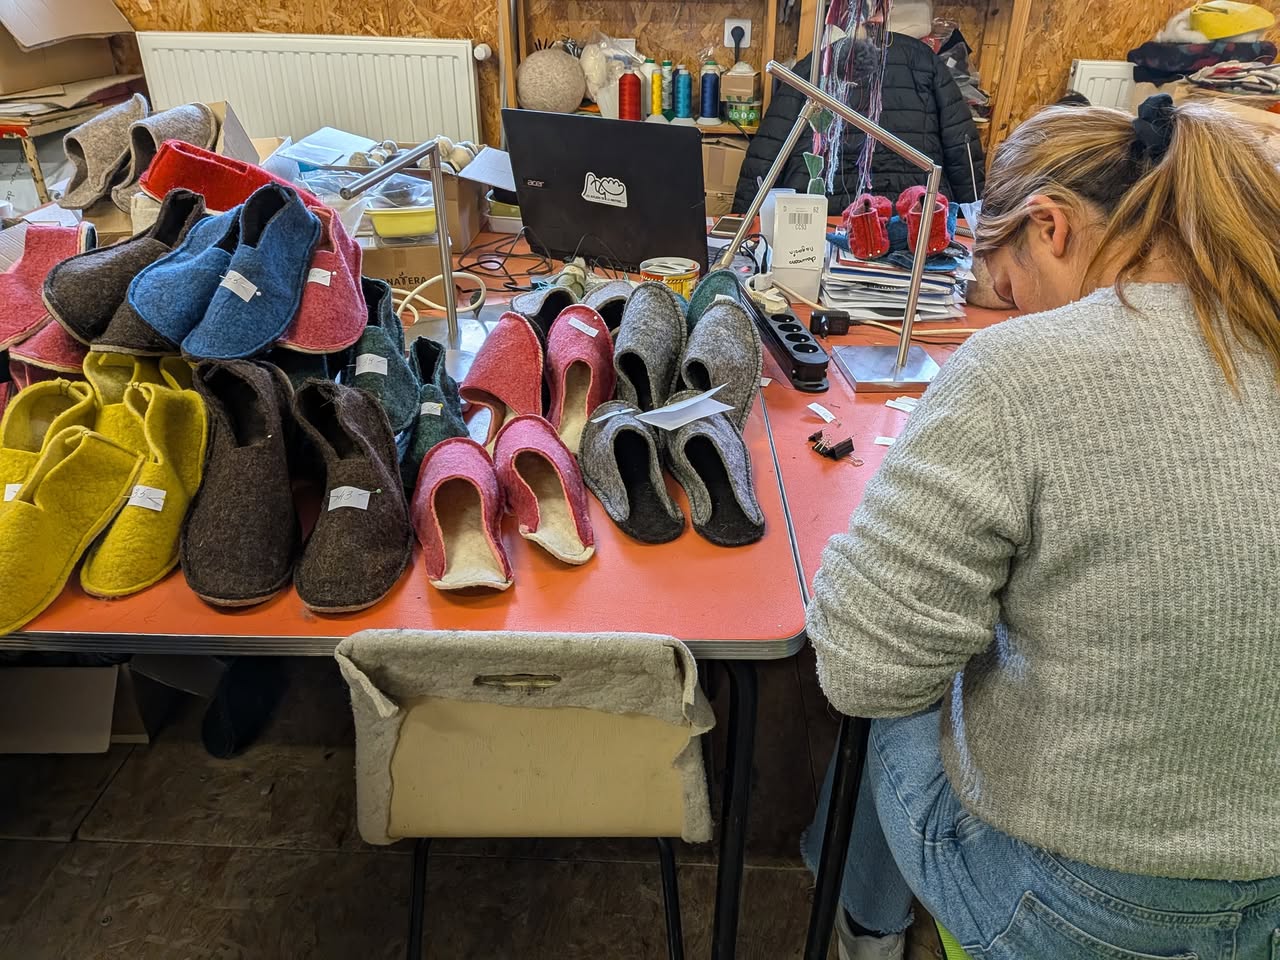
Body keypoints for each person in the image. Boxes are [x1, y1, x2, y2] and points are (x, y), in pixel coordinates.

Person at [802, 94, 1280, 960]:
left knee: (900, 691)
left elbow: (861, 666)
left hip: (1078, 914)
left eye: (1012, 294)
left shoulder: (1018, 371)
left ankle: (864, 933)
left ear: (1049, 226)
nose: (1017, 318)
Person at [732, 32, 984, 216]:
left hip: (823, 214)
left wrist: (743, 217)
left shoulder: (816, 64)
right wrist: (974, 220)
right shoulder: (925, 61)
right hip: (911, 213)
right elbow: (962, 151)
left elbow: (768, 150)